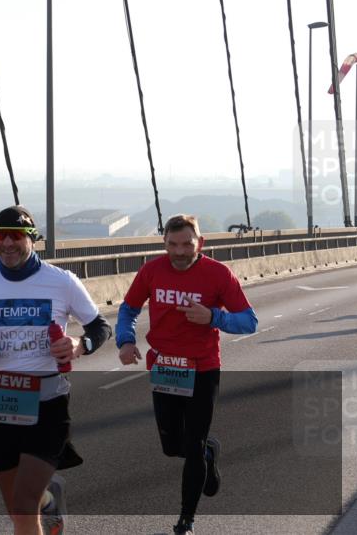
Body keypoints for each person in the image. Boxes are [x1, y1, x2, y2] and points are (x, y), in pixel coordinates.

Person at [0, 205, 111, 535]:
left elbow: (99, 327)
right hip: (0, 405)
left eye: (16, 236)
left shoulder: (61, 282)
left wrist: (80, 345)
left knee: (22, 506)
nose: (7, 243)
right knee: (17, 510)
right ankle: (49, 501)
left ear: (32, 239)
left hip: (47, 404)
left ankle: (42, 503)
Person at [116, 214, 257, 535]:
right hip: (165, 367)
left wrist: (213, 317)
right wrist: (125, 340)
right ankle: (209, 451)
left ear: (200, 244)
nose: (179, 252)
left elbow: (249, 322)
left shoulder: (218, 275)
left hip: (203, 368)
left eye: (186, 245)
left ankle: (186, 520)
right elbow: (128, 309)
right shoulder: (152, 270)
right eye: (172, 245)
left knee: (191, 446)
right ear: (164, 243)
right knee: (172, 447)